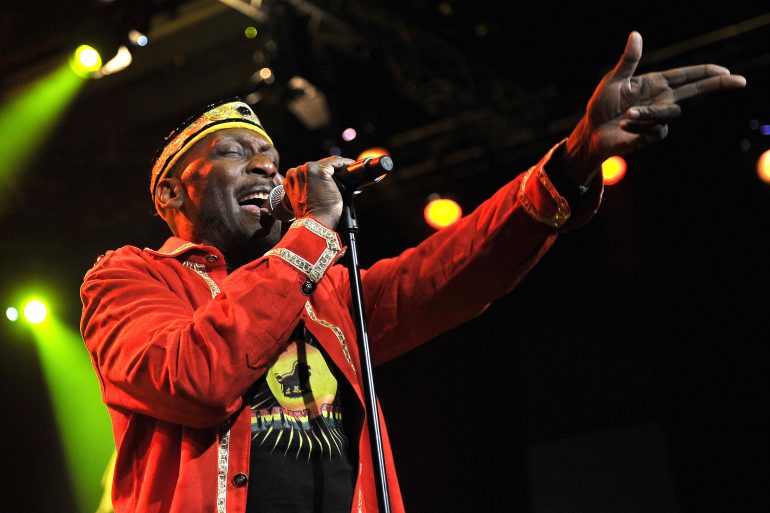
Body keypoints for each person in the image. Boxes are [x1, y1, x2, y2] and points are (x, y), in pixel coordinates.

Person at [80, 31, 745, 513]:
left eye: (269, 154)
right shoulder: (128, 279)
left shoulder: (327, 292)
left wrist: (572, 159)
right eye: (234, 152)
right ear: (171, 195)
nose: (263, 166)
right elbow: (196, 377)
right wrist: (312, 233)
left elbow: (454, 267)